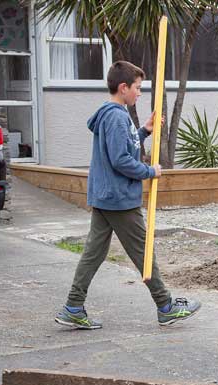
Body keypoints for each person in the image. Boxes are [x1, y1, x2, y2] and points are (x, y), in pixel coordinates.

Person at [55, 61, 200, 330]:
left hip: (106, 195)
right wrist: (150, 171)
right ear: (123, 88)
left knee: (93, 253)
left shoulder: (112, 115)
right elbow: (121, 159)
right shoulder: (117, 116)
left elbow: (125, 145)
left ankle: (73, 307)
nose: (140, 93)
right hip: (119, 198)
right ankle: (165, 306)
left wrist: (144, 130)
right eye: (137, 88)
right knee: (143, 253)